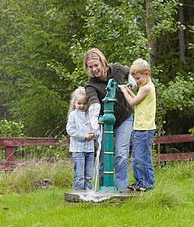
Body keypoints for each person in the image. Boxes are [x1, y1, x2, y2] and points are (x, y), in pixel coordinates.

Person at [84, 48, 137, 190]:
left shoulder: (117, 69)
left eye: (96, 65)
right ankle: (102, 189)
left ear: (102, 61)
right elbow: (94, 101)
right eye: (90, 67)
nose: (94, 69)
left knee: (121, 154)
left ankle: (120, 189)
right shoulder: (90, 85)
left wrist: (131, 81)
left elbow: (129, 71)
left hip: (124, 118)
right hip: (104, 121)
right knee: (102, 158)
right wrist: (94, 117)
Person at [119, 58, 156, 191]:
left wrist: (124, 91)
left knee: (141, 158)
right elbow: (135, 98)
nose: (137, 81)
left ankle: (147, 183)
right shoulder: (144, 87)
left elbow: (132, 102)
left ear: (147, 74)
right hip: (140, 128)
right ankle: (141, 182)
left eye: (138, 78)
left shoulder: (146, 88)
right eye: (135, 79)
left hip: (144, 129)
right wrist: (127, 89)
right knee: (137, 158)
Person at [66, 86, 96, 190]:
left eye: (84, 103)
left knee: (88, 176)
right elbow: (70, 130)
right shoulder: (73, 115)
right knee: (79, 175)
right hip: (77, 150)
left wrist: (93, 134)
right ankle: (78, 195)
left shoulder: (91, 115)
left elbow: (97, 128)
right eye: (79, 103)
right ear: (74, 102)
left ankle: (88, 194)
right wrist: (84, 136)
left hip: (90, 150)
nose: (82, 106)